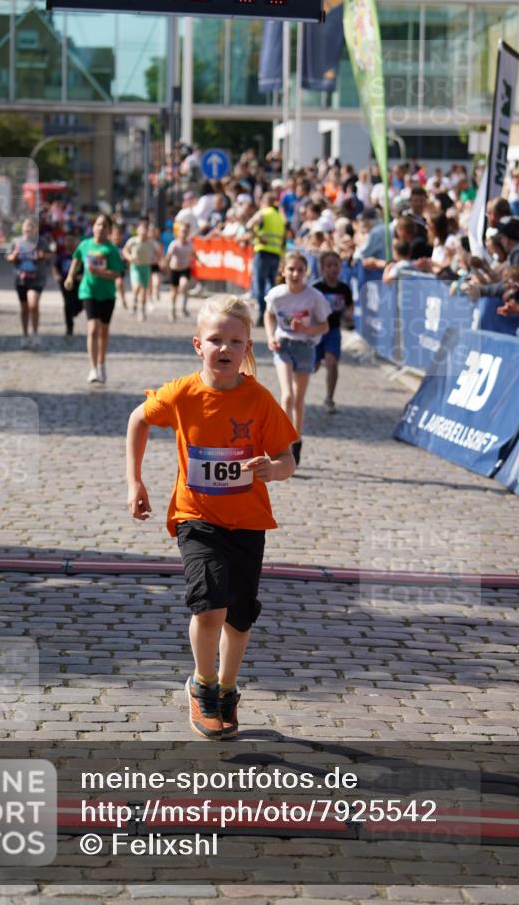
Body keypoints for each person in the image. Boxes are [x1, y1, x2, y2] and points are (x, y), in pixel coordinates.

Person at [126, 295, 298, 739]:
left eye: (235, 341)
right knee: (210, 606)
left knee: (240, 617)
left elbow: (287, 456)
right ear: (197, 345)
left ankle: (226, 689)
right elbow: (137, 420)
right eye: (216, 340)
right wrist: (135, 482)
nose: (224, 348)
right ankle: (202, 686)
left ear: (247, 349)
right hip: (196, 517)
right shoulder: (182, 392)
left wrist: (273, 469)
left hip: (248, 522)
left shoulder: (259, 398)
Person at [264, 250, 331, 467]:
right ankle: (284, 443)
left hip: (306, 347)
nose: (295, 274)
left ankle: (297, 439)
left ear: (306, 273)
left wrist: (307, 328)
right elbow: (269, 314)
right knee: (287, 397)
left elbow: (325, 325)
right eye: (291, 269)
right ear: (283, 271)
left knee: (299, 400)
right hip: (283, 345)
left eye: (300, 270)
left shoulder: (314, 297)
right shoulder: (276, 294)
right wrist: (270, 336)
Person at [64, 213, 123, 383]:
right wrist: (70, 276)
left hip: (107, 295)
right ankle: (92, 369)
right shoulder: (85, 244)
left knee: (103, 332)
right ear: (93, 227)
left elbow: (117, 274)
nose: (100, 228)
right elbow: (76, 259)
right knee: (92, 329)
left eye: (104, 226)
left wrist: (101, 272)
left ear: (109, 230)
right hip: (88, 292)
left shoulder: (111, 249)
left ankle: (101, 364)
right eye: (98, 224)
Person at [312, 251, 353, 414]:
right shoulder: (316, 288)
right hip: (315, 332)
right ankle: (296, 394)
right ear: (322, 269)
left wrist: (349, 313)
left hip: (333, 331)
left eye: (336, 265)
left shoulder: (344, 288)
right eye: (329, 265)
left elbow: (350, 305)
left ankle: (329, 398)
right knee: (312, 367)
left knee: (332, 362)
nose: (333, 269)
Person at [5, 217, 51, 348]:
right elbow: (8, 256)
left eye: (31, 226)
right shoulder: (16, 241)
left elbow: (49, 255)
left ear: (36, 229)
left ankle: (35, 333)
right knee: (24, 309)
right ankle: (25, 335)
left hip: (37, 278)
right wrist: (13, 256)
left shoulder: (41, 242)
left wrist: (42, 255)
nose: (29, 228)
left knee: (33, 304)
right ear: (22, 228)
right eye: (26, 226)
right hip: (21, 279)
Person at [246, 191, 287, 326]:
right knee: (272, 287)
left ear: (264, 201)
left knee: (260, 285)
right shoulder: (279, 217)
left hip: (263, 253)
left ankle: (262, 315)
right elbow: (284, 239)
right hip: (276, 254)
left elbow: (249, 225)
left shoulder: (264, 213)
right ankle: (272, 314)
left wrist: (257, 236)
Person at [123, 217, 156, 322]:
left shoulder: (151, 243)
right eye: (141, 229)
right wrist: (129, 257)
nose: (143, 232)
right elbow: (125, 250)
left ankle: (142, 310)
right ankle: (134, 303)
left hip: (145, 267)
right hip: (135, 267)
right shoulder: (132, 241)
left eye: (145, 230)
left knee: (144, 290)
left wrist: (156, 260)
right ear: (137, 230)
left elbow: (158, 253)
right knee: (137, 287)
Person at [164, 220, 196, 321]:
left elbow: (193, 254)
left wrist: (200, 261)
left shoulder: (190, 244)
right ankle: (172, 309)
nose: (184, 233)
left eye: (186, 231)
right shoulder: (174, 244)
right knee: (174, 291)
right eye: (182, 231)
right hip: (175, 269)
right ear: (178, 232)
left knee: (184, 285)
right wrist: (164, 264)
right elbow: (168, 256)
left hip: (185, 269)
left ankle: (183, 307)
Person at [53, 230, 82, 337]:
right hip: (65, 283)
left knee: (81, 302)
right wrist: (57, 275)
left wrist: (82, 276)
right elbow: (55, 267)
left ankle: (74, 312)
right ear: (64, 242)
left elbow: (85, 269)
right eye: (67, 240)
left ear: (76, 242)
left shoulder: (80, 255)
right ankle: (69, 328)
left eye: (71, 240)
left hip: (79, 283)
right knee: (67, 304)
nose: (69, 243)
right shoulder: (61, 256)